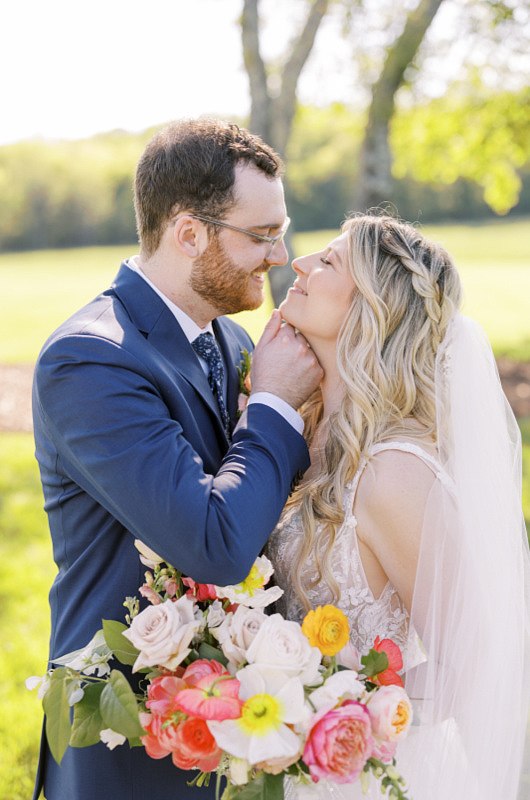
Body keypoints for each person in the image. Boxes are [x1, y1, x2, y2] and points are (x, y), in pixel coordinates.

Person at [31, 118, 323, 800]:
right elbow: (213, 543)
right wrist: (275, 402)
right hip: (127, 738)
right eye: (262, 234)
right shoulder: (90, 360)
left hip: (236, 727)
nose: (278, 255)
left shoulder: (228, 337)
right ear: (189, 232)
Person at [268, 212, 530, 800]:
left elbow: (478, 664)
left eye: (329, 261)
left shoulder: (394, 475)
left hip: (361, 776)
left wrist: (340, 715)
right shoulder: (298, 434)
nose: (300, 263)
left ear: (375, 306)